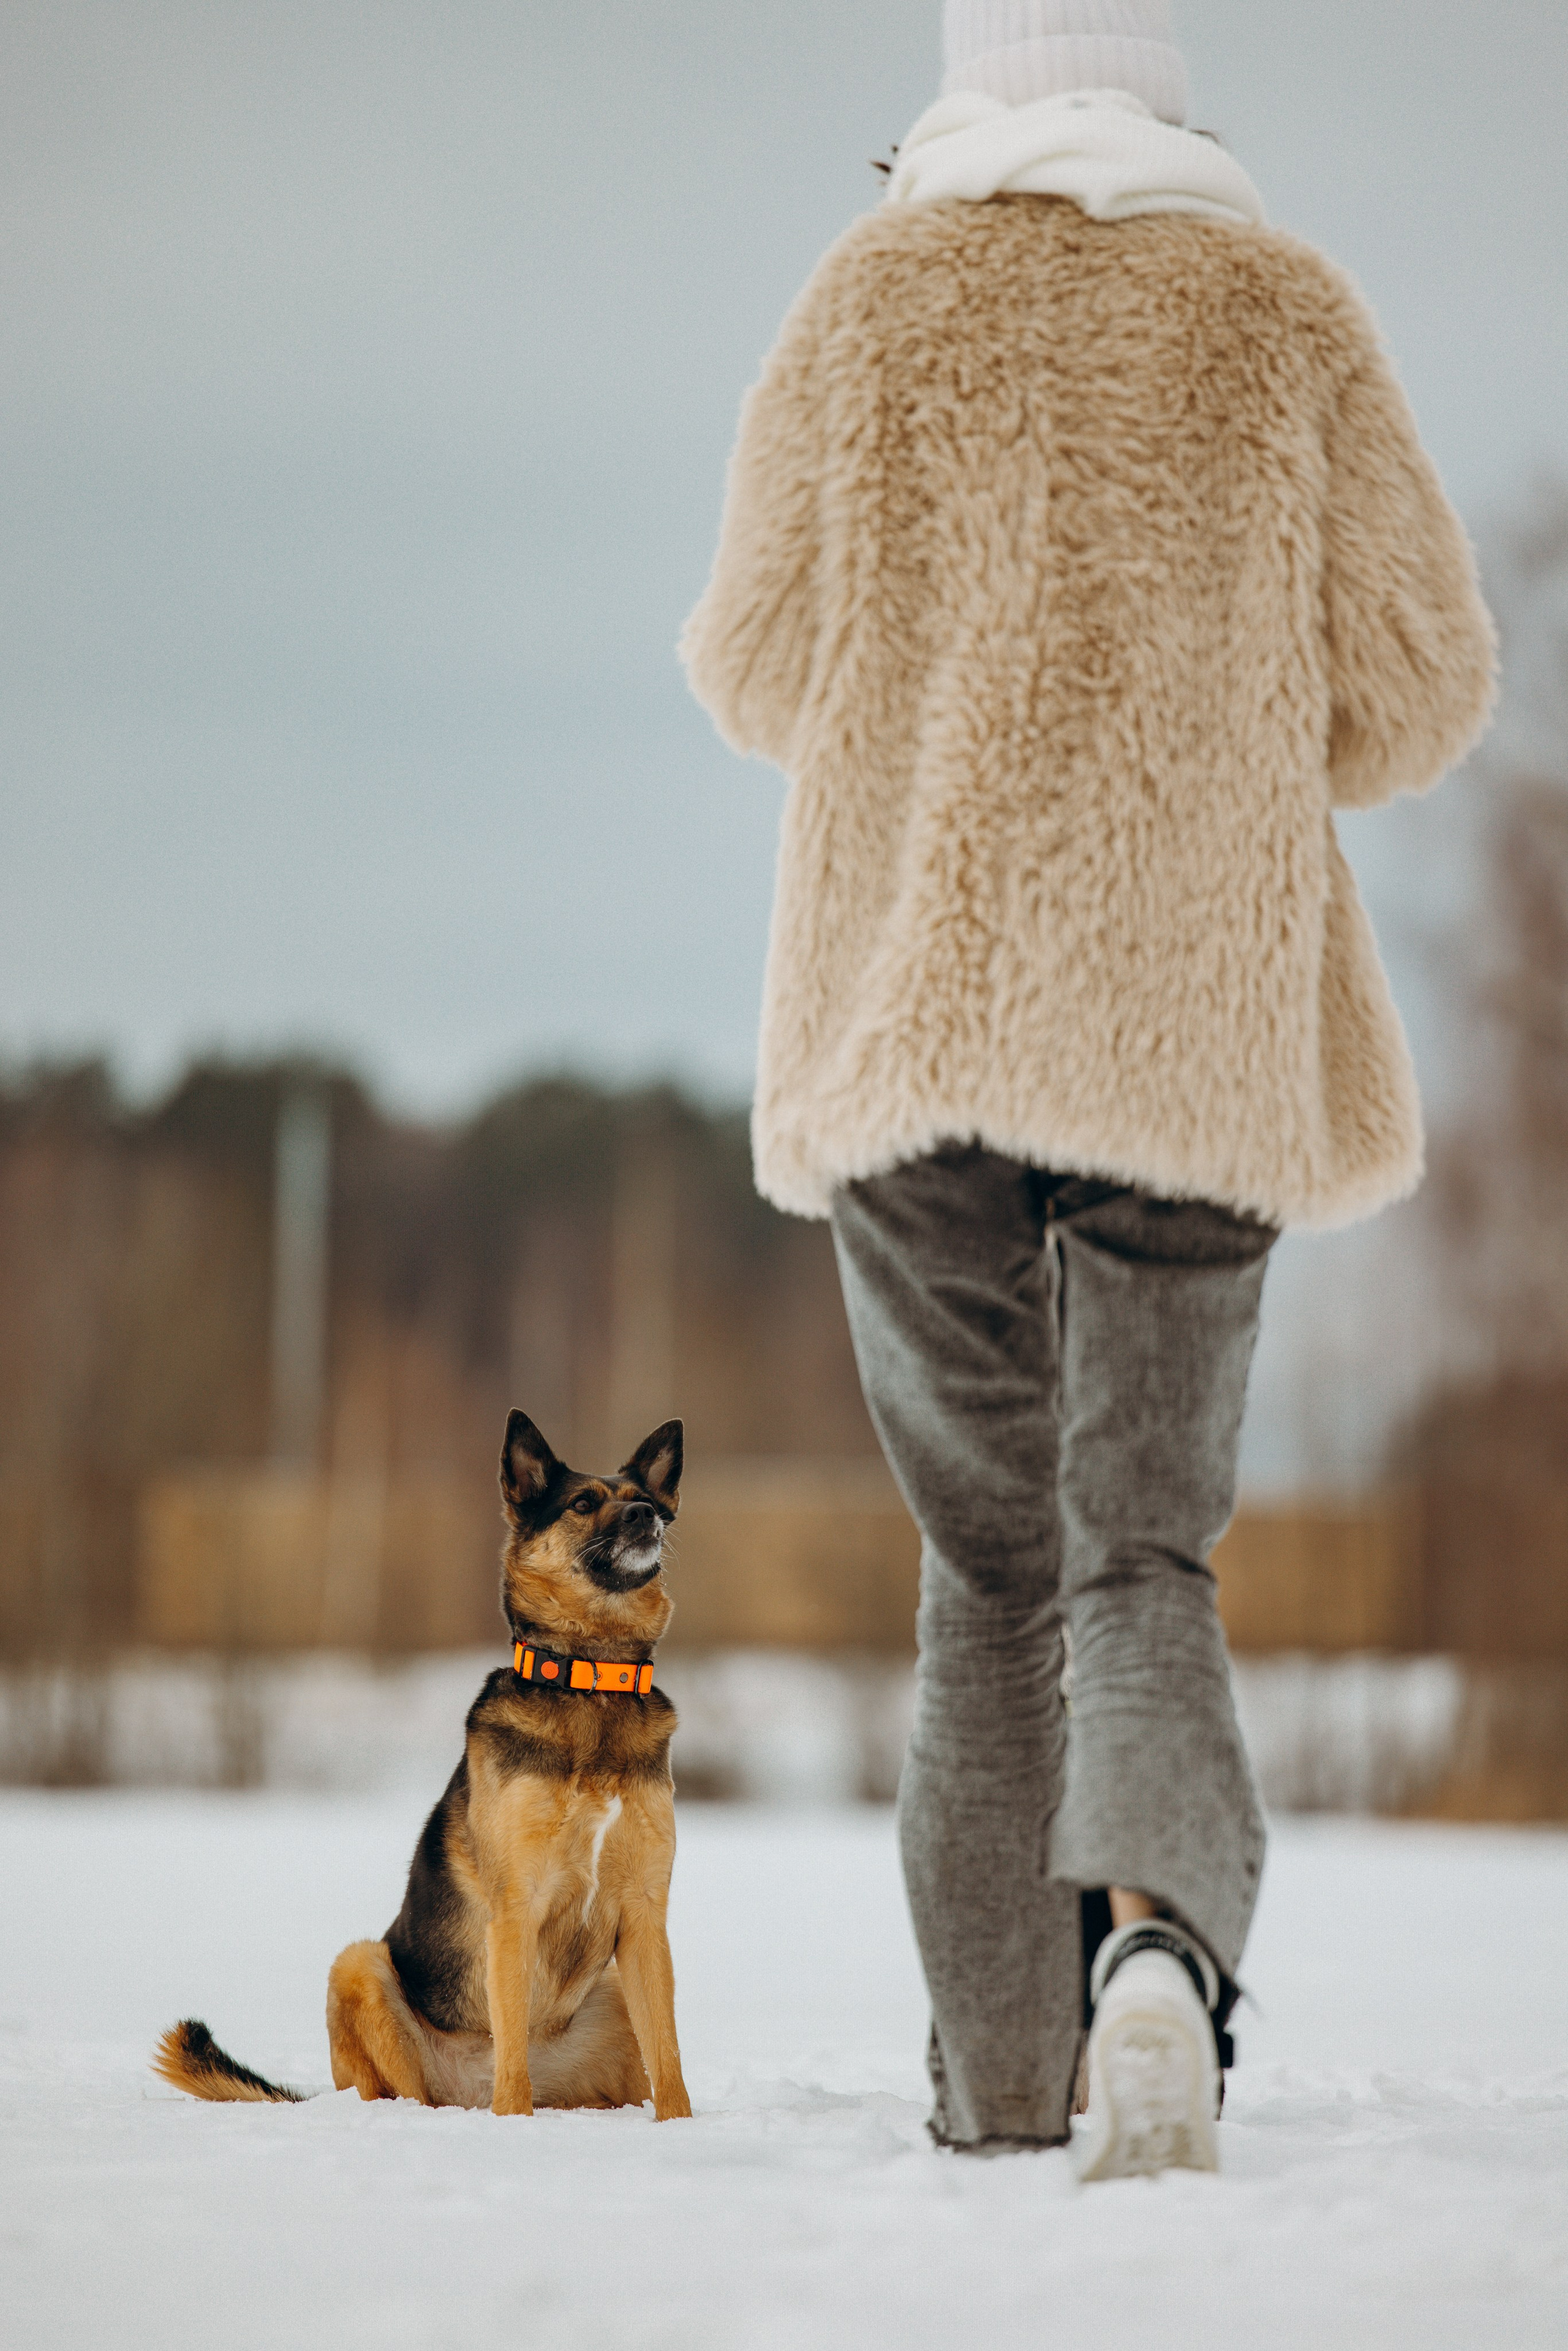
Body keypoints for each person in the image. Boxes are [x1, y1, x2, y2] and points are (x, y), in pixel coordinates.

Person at [682, 0, 1494, 2176]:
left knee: (986, 1578)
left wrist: (925, 698)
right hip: (1190, 1028)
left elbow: (754, 660)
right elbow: (1429, 683)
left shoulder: (869, 301)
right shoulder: (1282, 305)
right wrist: (1228, 737)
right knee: (1143, 1558)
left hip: (916, 1018)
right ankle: (1155, 1960)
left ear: (971, 76)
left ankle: (996, 2093)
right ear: (1176, 82)